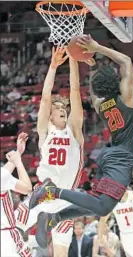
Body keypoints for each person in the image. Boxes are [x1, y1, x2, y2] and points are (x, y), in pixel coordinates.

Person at [29, 34, 133, 216]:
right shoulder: (127, 99)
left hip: (110, 155)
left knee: (98, 205)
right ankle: (53, 194)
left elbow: (95, 88)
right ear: (118, 84)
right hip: (121, 154)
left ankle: (55, 218)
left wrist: (92, 63)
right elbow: (126, 61)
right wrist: (96, 48)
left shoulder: (100, 105)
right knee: (103, 208)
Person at [15, 47, 87, 257]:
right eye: (57, 109)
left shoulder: (74, 131)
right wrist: (53, 66)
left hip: (65, 201)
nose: (62, 110)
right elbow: (45, 98)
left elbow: (75, 92)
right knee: (9, 231)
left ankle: (42, 223)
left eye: (64, 110)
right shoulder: (46, 132)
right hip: (41, 195)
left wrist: (73, 60)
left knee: (61, 254)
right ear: (49, 116)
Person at [1, 133, 32, 257]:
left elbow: (6, 170)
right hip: (5, 238)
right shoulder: (2, 176)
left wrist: (18, 151)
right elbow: (27, 188)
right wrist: (18, 162)